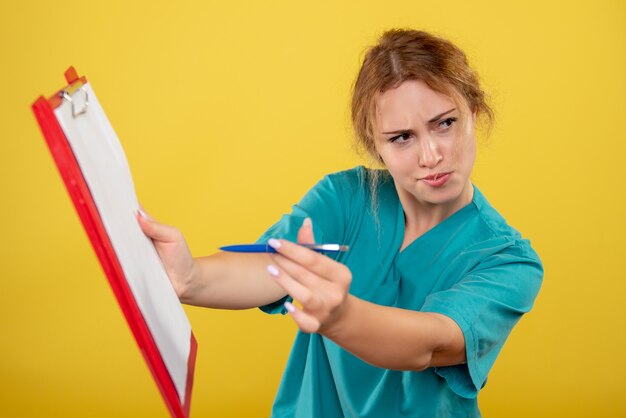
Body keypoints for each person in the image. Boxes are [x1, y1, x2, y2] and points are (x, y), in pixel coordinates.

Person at [137, 29, 543, 418]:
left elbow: (433, 344)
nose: (431, 155)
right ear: (376, 146)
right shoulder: (346, 198)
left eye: (445, 123)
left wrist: (339, 317)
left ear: (473, 114)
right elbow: (273, 268)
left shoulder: (508, 260)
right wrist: (190, 276)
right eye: (402, 137)